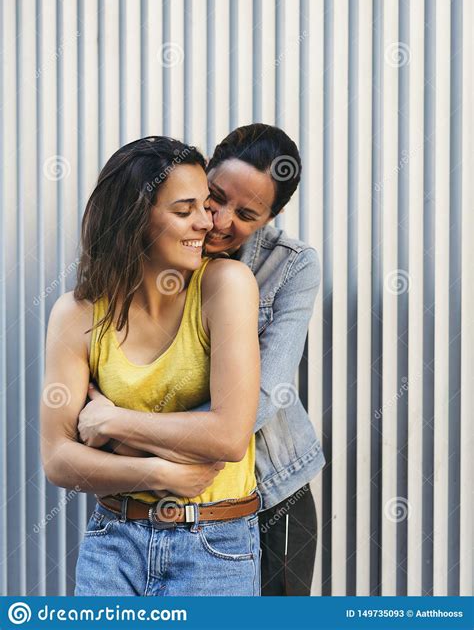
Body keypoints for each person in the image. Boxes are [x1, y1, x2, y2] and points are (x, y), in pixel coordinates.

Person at [87, 124, 326, 595]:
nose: (218, 221)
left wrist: (121, 435)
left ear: (268, 219)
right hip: (160, 508)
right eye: (214, 195)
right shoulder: (156, 255)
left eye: (246, 214)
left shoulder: (292, 266)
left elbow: (259, 399)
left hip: (271, 495)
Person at [40, 136, 262, 596]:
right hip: (113, 543)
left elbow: (229, 436)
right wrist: (160, 473)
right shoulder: (77, 314)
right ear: (134, 219)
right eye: (184, 211)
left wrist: (112, 421)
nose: (208, 222)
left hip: (214, 546)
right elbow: (59, 459)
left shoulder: (226, 286)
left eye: (206, 205)